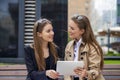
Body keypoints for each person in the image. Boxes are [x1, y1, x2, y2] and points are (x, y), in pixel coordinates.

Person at [64, 14, 105, 80]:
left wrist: (86, 74)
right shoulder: (69, 45)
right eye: (69, 27)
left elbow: (95, 70)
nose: (69, 30)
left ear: (82, 31)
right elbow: (66, 70)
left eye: (72, 28)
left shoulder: (93, 47)